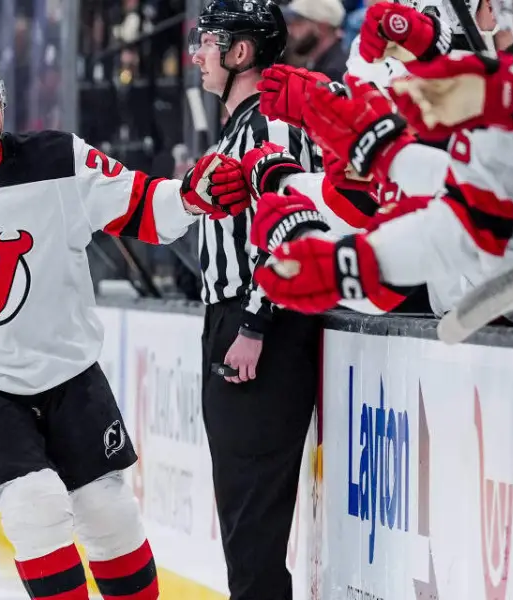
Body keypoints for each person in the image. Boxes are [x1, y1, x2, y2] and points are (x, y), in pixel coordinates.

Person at [0, 41, 248, 600]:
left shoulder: (59, 159)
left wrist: (191, 196)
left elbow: (142, 205)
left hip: (69, 367)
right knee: (35, 505)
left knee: (109, 512)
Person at [186, 2, 323, 598]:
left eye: (208, 43)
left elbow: (295, 227)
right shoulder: (241, 124)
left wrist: (255, 325)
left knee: (252, 522)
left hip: (259, 324)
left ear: (241, 52)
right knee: (244, 519)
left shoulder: (271, 122)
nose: (196, 55)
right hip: (236, 319)